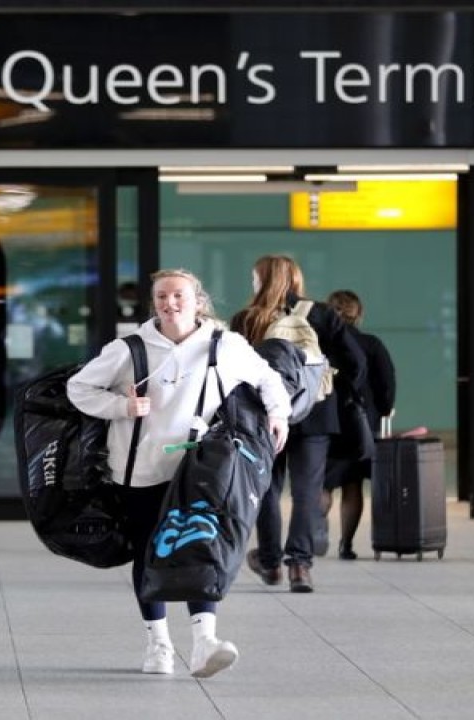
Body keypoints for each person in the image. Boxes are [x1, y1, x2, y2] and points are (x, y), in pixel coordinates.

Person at [67, 269, 290, 679]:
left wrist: (279, 415)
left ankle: (205, 640)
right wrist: (122, 407)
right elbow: (79, 388)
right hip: (139, 469)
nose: (170, 303)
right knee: (148, 552)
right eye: (162, 296)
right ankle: (158, 644)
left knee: (200, 546)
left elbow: (268, 380)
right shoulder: (128, 348)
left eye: (179, 296)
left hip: (199, 469)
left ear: (197, 301)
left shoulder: (226, 345)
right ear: (153, 302)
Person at [231, 255, 366, 593]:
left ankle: (271, 562)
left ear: (261, 281)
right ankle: (300, 567)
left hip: (264, 414)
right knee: (308, 491)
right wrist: (332, 387)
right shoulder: (322, 315)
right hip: (315, 413)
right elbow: (357, 361)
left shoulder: (247, 319)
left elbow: (231, 368)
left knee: (266, 489)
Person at [322, 290, 396, 560]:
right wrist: (384, 410)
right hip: (360, 422)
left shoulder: (320, 343)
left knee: (323, 484)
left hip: (326, 420)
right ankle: (346, 544)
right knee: (352, 485)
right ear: (359, 314)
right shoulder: (371, 344)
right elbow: (386, 384)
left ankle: (316, 532)